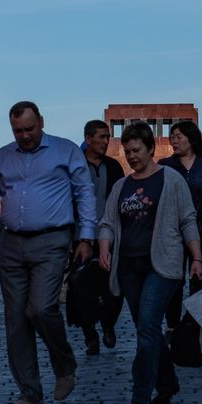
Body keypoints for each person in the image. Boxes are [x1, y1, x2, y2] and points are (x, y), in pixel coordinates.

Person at [0, 101, 96, 404]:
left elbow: (85, 193)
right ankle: (30, 392)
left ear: (41, 122)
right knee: (15, 321)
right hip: (11, 243)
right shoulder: (2, 156)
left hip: (52, 240)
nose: (24, 136)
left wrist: (87, 237)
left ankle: (64, 365)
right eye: (18, 131)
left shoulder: (65, 152)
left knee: (41, 308)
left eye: (29, 128)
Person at [97, 122, 201, 404]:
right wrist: (105, 246)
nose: (131, 156)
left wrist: (196, 258)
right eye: (127, 151)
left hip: (163, 264)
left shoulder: (171, 180)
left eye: (137, 150)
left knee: (147, 327)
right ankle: (167, 384)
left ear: (151, 149)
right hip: (129, 268)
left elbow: (187, 219)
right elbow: (107, 222)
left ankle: (140, 395)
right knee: (149, 329)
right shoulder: (121, 186)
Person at [159, 119, 202, 328]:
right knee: (174, 280)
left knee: (199, 281)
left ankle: (197, 325)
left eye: (179, 137)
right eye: (172, 137)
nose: (174, 141)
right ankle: (172, 325)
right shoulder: (165, 166)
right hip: (173, 233)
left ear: (191, 139)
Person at [77, 118, 124, 356]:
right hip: (81, 239)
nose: (106, 141)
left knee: (115, 286)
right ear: (88, 139)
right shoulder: (75, 167)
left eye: (108, 137)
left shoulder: (114, 167)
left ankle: (108, 324)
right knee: (83, 290)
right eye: (102, 137)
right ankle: (89, 334)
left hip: (111, 237)